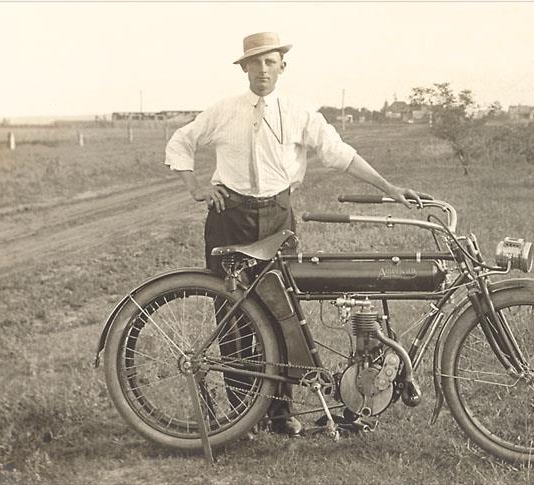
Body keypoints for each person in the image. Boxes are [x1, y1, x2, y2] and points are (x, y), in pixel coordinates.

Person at [164, 32, 423, 436]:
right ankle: (243, 415)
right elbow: (182, 141)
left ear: (282, 66)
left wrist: (389, 188)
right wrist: (195, 187)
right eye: (254, 62)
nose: (262, 70)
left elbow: (339, 153)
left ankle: (280, 414)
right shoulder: (223, 111)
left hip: (276, 219)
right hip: (228, 217)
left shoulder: (300, 113)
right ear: (243, 68)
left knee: (281, 315)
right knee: (232, 315)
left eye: (270, 62)